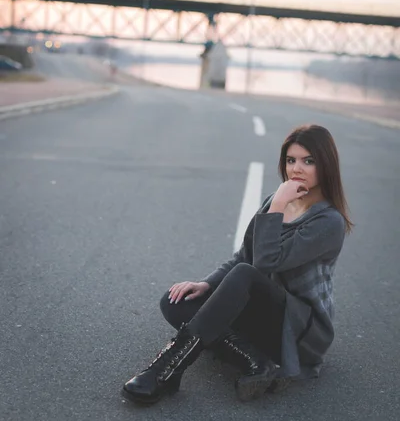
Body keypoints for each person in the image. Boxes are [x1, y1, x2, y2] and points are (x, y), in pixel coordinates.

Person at [122, 124, 352, 405]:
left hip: (300, 329)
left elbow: (266, 262)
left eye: (309, 161)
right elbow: (246, 255)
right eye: (291, 160)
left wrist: (278, 205)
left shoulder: (328, 222)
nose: (297, 169)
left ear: (326, 164)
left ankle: (165, 370)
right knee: (175, 302)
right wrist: (205, 284)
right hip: (266, 316)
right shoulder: (277, 202)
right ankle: (257, 361)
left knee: (245, 276)